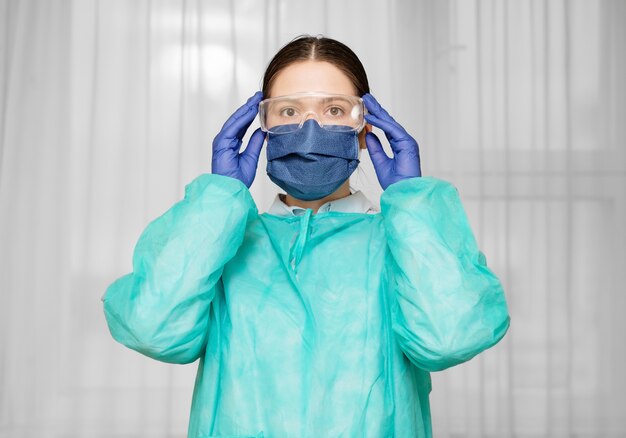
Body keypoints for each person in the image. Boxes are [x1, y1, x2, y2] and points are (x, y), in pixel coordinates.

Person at [102, 35, 510, 438]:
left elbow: (451, 339)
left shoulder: (402, 244)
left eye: (334, 109)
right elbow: (150, 329)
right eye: (289, 111)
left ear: (364, 127)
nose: (310, 128)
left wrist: (412, 203)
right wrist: (217, 199)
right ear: (260, 126)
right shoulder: (222, 246)